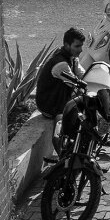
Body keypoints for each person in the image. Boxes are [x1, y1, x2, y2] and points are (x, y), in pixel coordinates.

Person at [35, 27, 87, 162]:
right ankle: (64, 157)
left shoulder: (71, 57)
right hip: (50, 104)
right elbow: (75, 83)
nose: (81, 49)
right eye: (77, 46)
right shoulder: (61, 64)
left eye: (81, 45)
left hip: (61, 98)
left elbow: (83, 75)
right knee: (65, 120)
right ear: (66, 45)